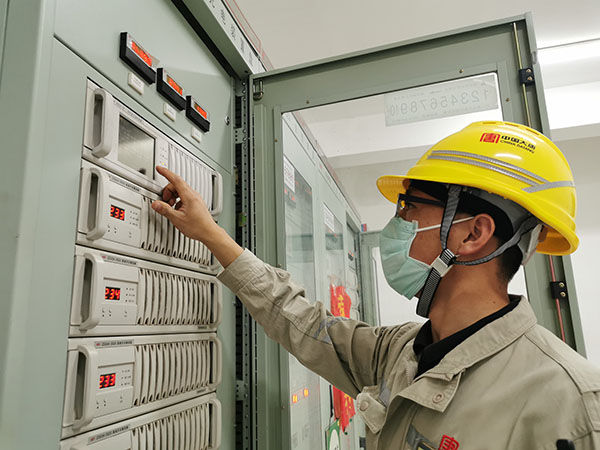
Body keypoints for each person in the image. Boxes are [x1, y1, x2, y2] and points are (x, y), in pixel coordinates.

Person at [151, 121, 600, 450]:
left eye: (408, 209)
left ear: (471, 234)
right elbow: (303, 323)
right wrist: (211, 234)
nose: (396, 225)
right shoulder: (401, 351)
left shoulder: (571, 405)